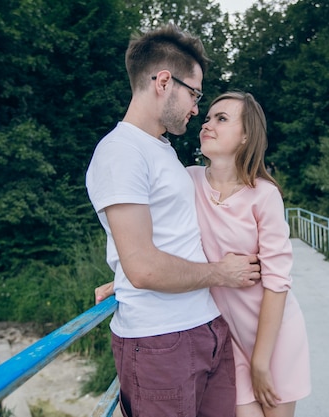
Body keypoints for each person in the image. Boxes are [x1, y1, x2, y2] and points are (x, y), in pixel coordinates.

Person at [86, 25, 261, 417]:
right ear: (164, 81)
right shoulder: (121, 153)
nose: (197, 108)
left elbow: (165, 240)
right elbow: (145, 267)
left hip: (208, 328)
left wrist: (123, 273)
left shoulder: (161, 149)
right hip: (160, 341)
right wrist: (222, 273)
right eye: (195, 93)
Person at [186, 91, 311, 417]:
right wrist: (125, 280)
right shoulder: (188, 180)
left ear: (245, 136)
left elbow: (276, 280)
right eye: (208, 117)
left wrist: (261, 360)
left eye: (221, 119)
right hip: (228, 340)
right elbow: (160, 243)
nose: (207, 124)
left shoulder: (264, 196)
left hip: (275, 339)